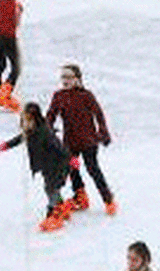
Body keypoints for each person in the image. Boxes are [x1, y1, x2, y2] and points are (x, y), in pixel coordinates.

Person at [0, 102, 78, 232]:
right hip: (47, 165)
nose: (25, 124)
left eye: (28, 121)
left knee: (51, 189)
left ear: (36, 119)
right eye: (24, 121)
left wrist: (71, 158)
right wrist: (6, 145)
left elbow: (59, 146)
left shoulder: (45, 132)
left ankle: (53, 215)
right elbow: (20, 138)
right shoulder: (30, 131)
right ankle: (61, 206)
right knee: (51, 188)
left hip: (58, 164)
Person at [46, 63, 117, 215]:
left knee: (92, 169)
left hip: (88, 140)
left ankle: (108, 199)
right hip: (70, 141)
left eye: (69, 77)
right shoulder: (59, 96)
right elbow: (51, 115)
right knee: (71, 168)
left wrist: (103, 132)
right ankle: (80, 197)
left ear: (77, 79)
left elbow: (99, 114)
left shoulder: (86, 95)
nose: (65, 80)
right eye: (63, 77)